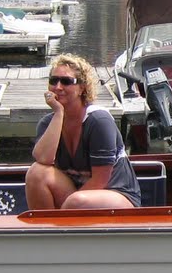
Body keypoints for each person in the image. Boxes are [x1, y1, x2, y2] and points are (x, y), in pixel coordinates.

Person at [25, 54, 141, 209]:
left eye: (66, 81)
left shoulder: (98, 121)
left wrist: (66, 207)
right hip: (76, 197)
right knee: (36, 173)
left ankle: (59, 220)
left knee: (76, 202)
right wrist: (59, 113)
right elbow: (43, 159)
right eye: (53, 80)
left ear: (82, 88)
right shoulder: (48, 123)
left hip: (116, 194)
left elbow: (101, 180)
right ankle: (48, 224)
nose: (58, 87)